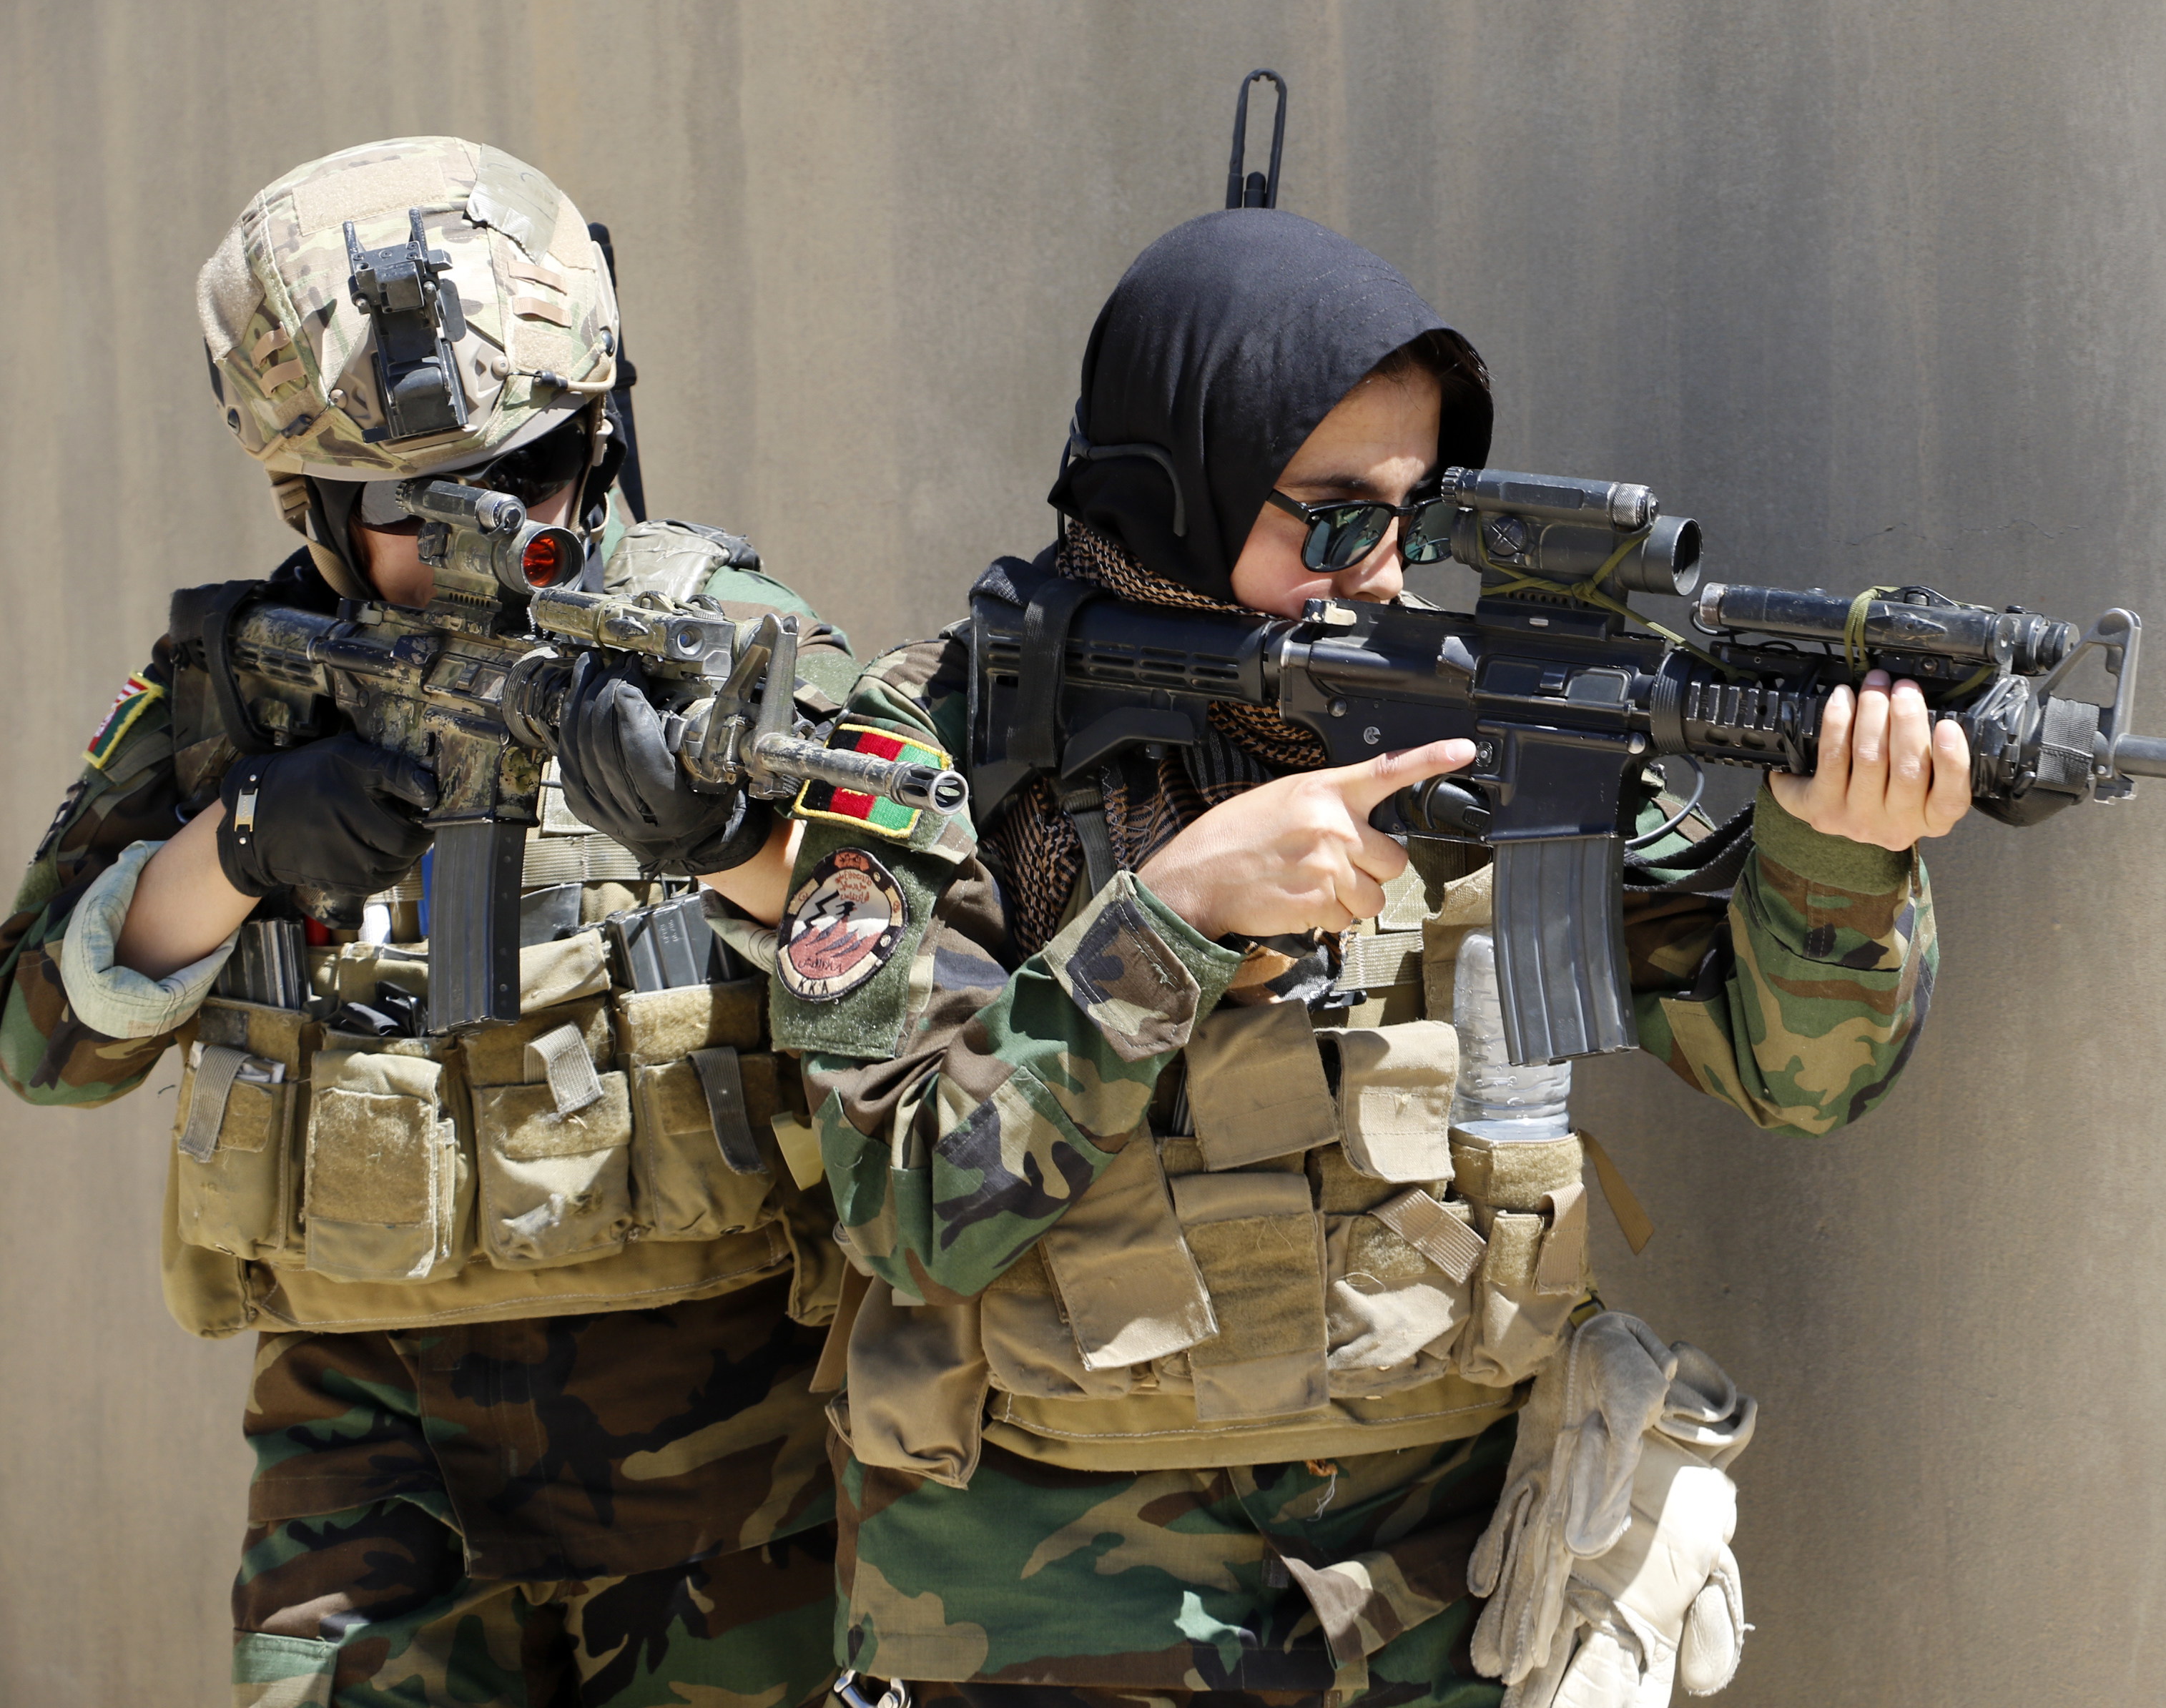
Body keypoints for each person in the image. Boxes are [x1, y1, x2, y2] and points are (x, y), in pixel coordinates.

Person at [766, 209, 1970, 1708]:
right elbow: (900, 1203)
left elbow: (1794, 1075)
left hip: (1443, 1591)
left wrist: (1840, 856)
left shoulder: (1469, 737)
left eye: (1417, 516)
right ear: (1173, 487)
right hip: (1047, 1600)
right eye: (1331, 518)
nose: (1383, 571)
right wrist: (1175, 916)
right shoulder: (921, 743)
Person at [1, 138, 860, 1706]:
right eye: (415, 508)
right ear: (311, 501)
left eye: (531, 478)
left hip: (729, 1465)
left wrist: (734, 840)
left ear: (597, 438)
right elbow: (42, 1051)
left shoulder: (731, 649)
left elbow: (936, 974)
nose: (491, 538)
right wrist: (241, 844)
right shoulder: (240, 689)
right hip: (367, 1461)